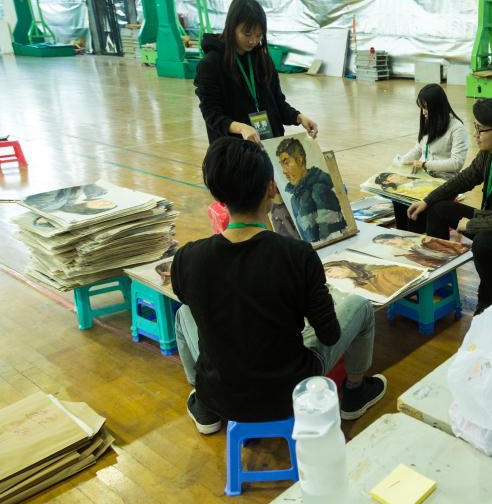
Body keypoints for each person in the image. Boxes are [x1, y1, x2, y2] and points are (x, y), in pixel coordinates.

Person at [171, 138, 386, 434]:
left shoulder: (187, 258)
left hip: (221, 391)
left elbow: (198, 298)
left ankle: (205, 406)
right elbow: (329, 333)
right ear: (270, 189)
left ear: (219, 197)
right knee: (361, 306)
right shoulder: (297, 255)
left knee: (184, 314)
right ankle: (355, 392)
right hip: (289, 391)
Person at [407, 95, 492, 315]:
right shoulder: (488, 155)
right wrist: (427, 199)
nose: (475, 134)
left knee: (483, 242)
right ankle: (438, 278)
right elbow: (463, 180)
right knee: (439, 209)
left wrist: (470, 225)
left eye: (480, 129)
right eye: (475, 127)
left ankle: (486, 302)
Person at [194, 0, 318, 145]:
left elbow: (277, 102)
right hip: (234, 150)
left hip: (268, 146)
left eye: (258, 35)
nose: (253, 41)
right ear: (232, 27)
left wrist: (298, 117)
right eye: (247, 34)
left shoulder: (263, 60)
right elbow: (211, 114)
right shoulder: (210, 65)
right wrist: (241, 128)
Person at [394, 83, 469, 233]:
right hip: (425, 176)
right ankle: (403, 233)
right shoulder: (429, 122)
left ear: (438, 107)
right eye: (422, 108)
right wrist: (400, 163)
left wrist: (425, 164)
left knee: (416, 204)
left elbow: (456, 163)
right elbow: (419, 148)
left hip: (445, 180)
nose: (423, 113)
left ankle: (417, 236)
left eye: (426, 108)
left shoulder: (457, 128)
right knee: (398, 195)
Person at [275, 137, 347, 243]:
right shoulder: (294, 199)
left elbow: (333, 238)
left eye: (286, 163)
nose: (284, 171)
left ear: (300, 160)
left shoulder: (320, 190)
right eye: (282, 165)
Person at [322, 259, 423, 299]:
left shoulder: (383, 272)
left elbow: (416, 273)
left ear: (341, 265)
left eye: (329, 271)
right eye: (327, 275)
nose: (330, 276)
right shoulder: (358, 284)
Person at [371, 233, 468, 269]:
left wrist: (460, 251)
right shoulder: (406, 254)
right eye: (382, 243)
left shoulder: (422, 238)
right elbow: (424, 263)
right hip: (443, 264)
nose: (387, 243)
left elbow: (451, 245)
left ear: (396, 236)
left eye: (386, 240)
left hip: (458, 254)